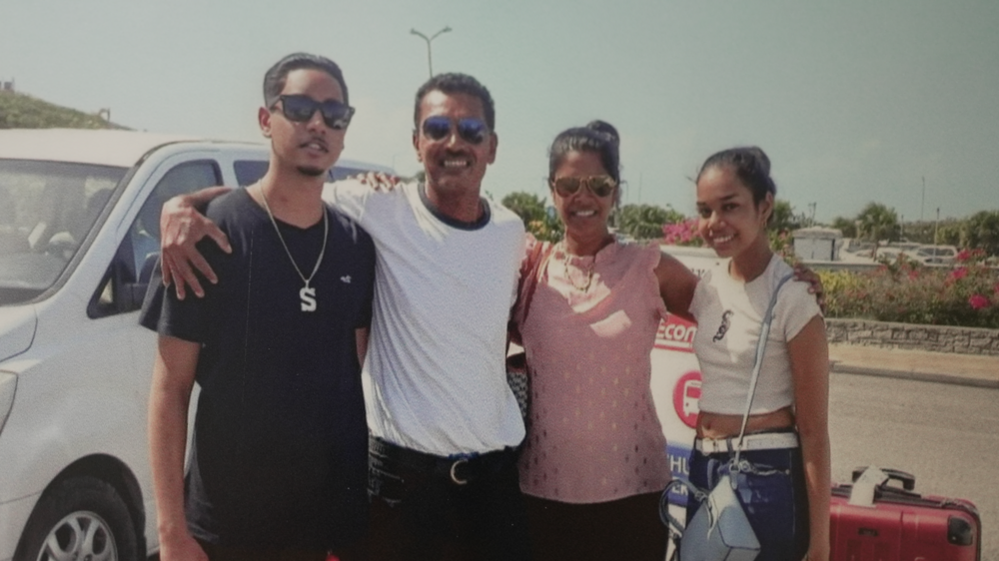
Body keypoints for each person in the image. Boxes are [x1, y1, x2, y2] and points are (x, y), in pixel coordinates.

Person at [157, 73, 532, 561]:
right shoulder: (375, 206)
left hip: (494, 488)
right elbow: (276, 194)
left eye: (471, 131)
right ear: (417, 143)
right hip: (404, 488)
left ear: (493, 146)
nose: (453, 142)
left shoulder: (510, 230)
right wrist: (183, 203)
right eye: (437, 128)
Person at [142, 53, 375, 561]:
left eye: (335, 114)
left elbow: (352, 369)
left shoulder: (357, 243)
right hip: (224, 529)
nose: (318, 123)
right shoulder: (207, 234)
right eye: (299, 107)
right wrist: (171, 533)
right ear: (266, 119)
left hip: (326, 526)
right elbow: (169, 389)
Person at [510, 121, 699, 560]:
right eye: (569, 184)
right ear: (551, 189)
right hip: (541, 494)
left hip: (632, 498)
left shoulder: (651, 268)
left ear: (616, 191)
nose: (583, 196)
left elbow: (733, 314)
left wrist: (787, 289)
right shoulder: (529, 269)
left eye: (599, 184)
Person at [687, 146, 830, 561]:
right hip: (703, 470)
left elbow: (816, 433)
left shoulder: (793, 298)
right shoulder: (707, 287)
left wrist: (819, 545)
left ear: (764, 206)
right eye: (705, 210)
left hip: (763, 476)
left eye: (730, 206)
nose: (715, 223)